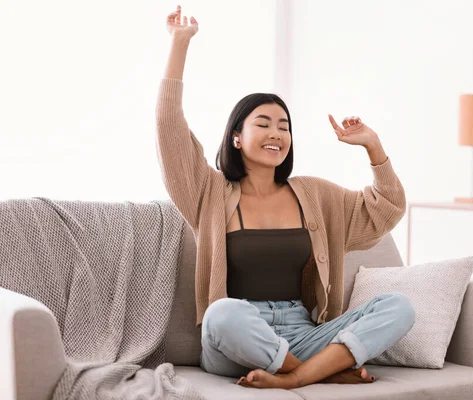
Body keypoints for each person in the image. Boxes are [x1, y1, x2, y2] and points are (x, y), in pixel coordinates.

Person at [156, 5, 416, 390]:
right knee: (220, 314)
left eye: (284, 126)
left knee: (400, 307)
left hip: (305, 331)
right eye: (263, 124)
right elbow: (169, 127)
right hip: (240, 339)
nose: (276, 132)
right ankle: (318, 372)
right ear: (236, 137)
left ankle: (293, 376)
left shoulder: (314, 195)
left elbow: (387, 208)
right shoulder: (208, 192)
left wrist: (373, 147)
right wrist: (180, 43)